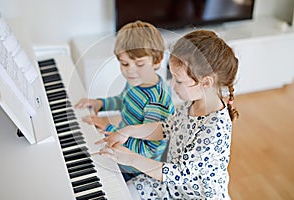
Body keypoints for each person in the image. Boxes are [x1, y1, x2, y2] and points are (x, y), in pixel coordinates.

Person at [95, 30, 239, 199]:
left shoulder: (214, 129)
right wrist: (128, 131)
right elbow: (166, 127)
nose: (172, 85)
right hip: (169, 186)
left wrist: (130, 158)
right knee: (120, 192)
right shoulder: (192, 102)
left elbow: (180, 173)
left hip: (193, 194)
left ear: (205, 82)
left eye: (178, 80)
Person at [74, 20, 175, 181]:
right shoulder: (137, 82)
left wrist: (110, 130)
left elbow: (149, 149)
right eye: (124, 63)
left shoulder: (157, 102)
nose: (130, 71)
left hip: (134, 167)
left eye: (139, 64)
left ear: (157, 61)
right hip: (120, 140)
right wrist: (101, 104)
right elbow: (123, 100)